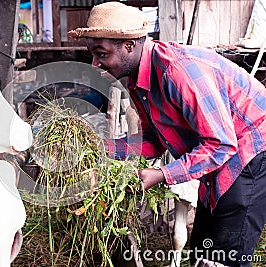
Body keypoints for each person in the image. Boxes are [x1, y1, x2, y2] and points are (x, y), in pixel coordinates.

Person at [68, 2, 266, 266]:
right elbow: (153, 141)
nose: (96, 64)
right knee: (203, 253)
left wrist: (162, 175)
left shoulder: (177, 71)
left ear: (129, 45)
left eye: (101, 54)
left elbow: (220, 145)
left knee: (226, 256)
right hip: (223, 158)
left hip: (252, 150)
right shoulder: (138, 80)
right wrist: (98, 147)